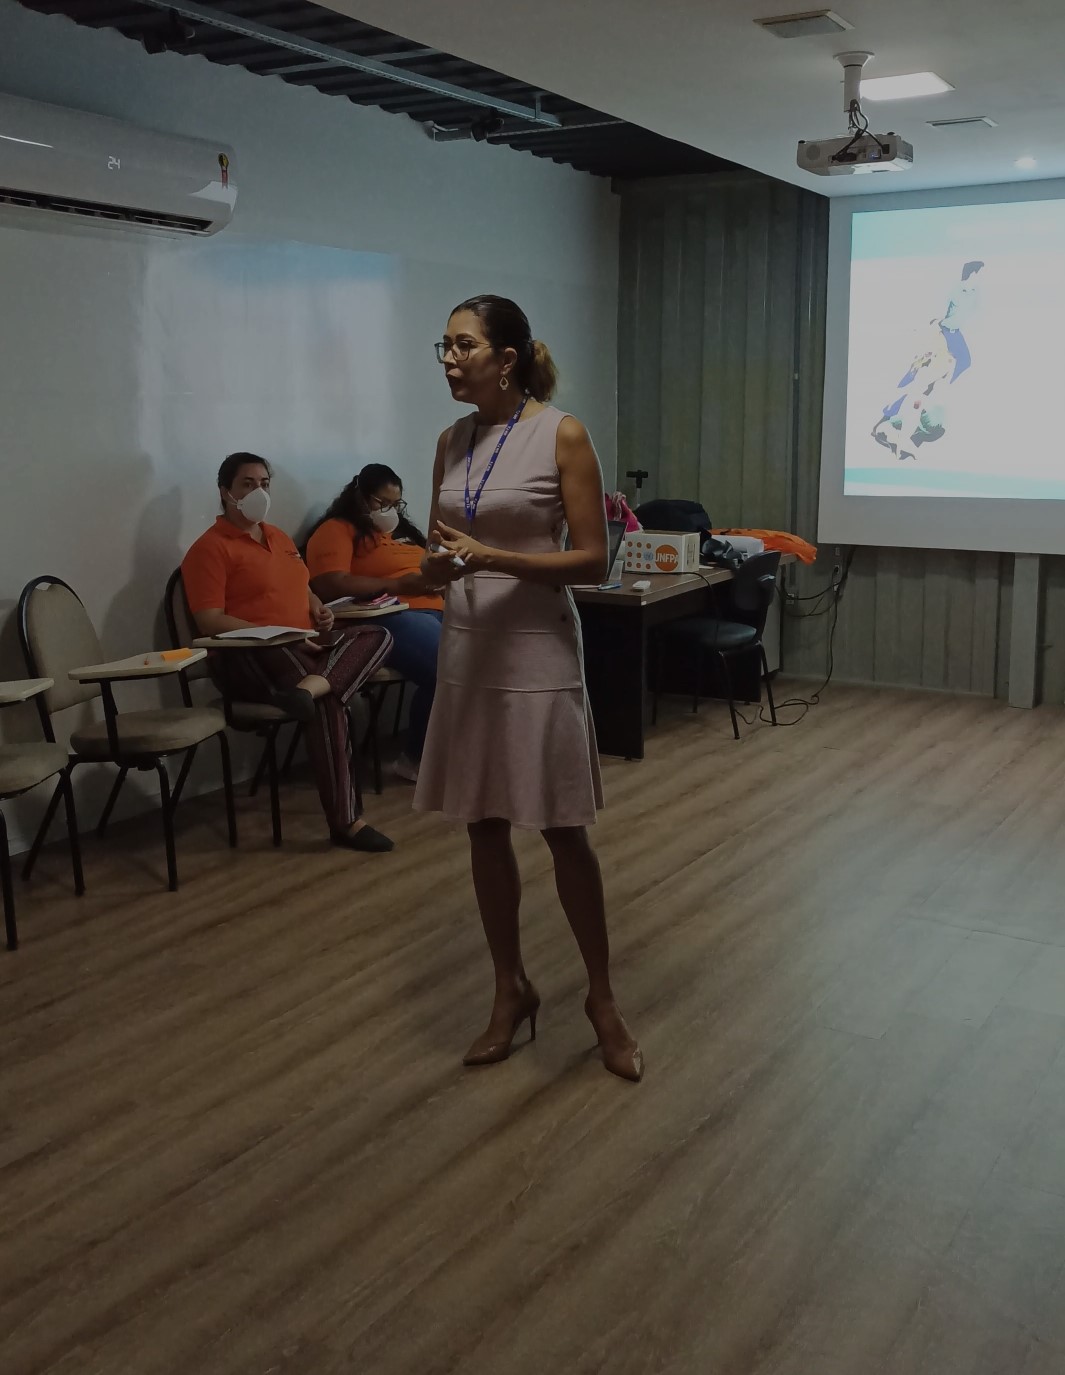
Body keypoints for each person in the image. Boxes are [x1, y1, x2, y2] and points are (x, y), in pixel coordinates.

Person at [413, 295, 643, 1082]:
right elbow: (432, 555)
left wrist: (489, 558)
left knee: (561, 828)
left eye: (463, 345)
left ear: (506, 358)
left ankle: (602, 1000)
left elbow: (590, 560)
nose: (448, 359)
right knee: (482, 824)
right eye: (442, 346)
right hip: (467, 646)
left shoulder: (560, 433)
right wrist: (438, 567)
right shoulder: (450, 439)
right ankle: (509, 989)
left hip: (538, 648)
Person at [181, 452, 394, 853]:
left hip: (303, 645)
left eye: (264, 483)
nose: (258, 491)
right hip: (247, 654)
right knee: (329, 704)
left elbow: (301, 584)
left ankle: (309, 689)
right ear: (225, 492)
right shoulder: (209, 549)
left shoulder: (277, 537)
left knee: (378, 635)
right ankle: (347, 821)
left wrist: (317, 606)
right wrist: (279, 634)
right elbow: (209, 620)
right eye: (247, 484)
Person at [305, 465, 444, 783]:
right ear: (360, 497)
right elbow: (329, 584)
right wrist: (397, 586)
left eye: (396, 504)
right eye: (383, 503)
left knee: (491, 656)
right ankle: (416, 759)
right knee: (450, 664)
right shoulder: (336, 529)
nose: (390, 511)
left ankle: (467, 753)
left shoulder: (405, 534)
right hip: (386, 617)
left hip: (439, 610)